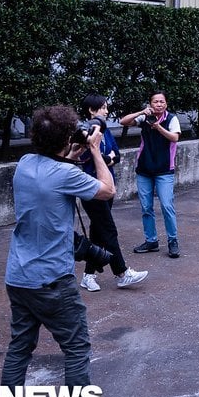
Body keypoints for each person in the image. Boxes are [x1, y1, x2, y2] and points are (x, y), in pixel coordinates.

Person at [0, 105, 118, 397]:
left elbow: (53, 170)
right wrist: (94, 149)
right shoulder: (66, 175)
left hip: (18, 276)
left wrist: (72, 150)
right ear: (66, 138)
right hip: (52, 280)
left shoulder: (24, 165)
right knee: (77, 349)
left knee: (19, 349)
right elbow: (107, 190)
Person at [77, 95, 148, 291]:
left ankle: (88, 276)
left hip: (108, 187)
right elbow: (86, 157)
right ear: (91, 111)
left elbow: (116, 156)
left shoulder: (104, 131)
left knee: (98, 232)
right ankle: (122, 273)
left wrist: (103, 157)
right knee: (108, 230)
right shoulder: (86, 132)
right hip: (92, 188)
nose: (107, 112)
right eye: (103, 108)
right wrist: (102, 157)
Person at [121, 92, 182, 258]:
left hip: (164, 170)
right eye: (156, 102)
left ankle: (172, 241)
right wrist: (142, 112)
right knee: (146, 207)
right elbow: (123, 121)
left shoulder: (172, 119)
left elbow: (174, 138)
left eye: (162, 101)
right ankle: (151, 241)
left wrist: (158, 127)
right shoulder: (144, 118)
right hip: (144, 170)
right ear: (150, 104)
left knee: (167, 206)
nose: (159, 104)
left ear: (166, 104)